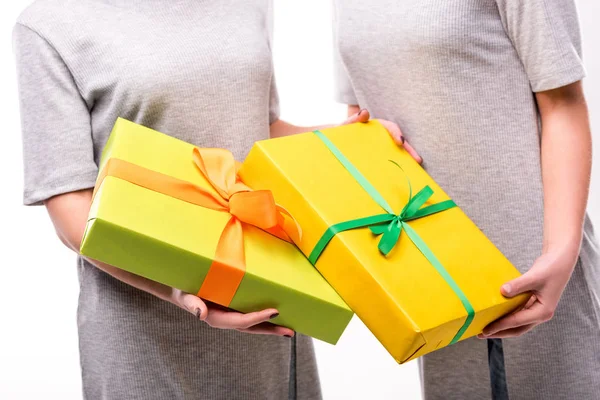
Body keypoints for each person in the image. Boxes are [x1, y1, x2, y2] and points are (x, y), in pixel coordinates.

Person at [332, 0, 599, 399]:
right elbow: (362, 118)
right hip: (433, 275)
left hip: (534, 268)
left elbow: (563, 104)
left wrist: (559, 253)